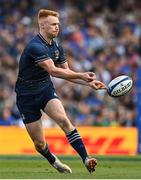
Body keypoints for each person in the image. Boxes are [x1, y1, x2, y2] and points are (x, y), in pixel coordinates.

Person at [15, 9, 107, 174]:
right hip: (26, 97)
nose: (57, 27)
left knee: (64, 121)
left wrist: (90, 83)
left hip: (45, 90)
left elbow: (67, 73)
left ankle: (86, 159)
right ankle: (53, 161)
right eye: (53, 24)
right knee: (39, 144)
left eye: (58, 24)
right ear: (42, 26)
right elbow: (54, 71)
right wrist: (82, 75)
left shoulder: (57, 46)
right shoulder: (35, 47)